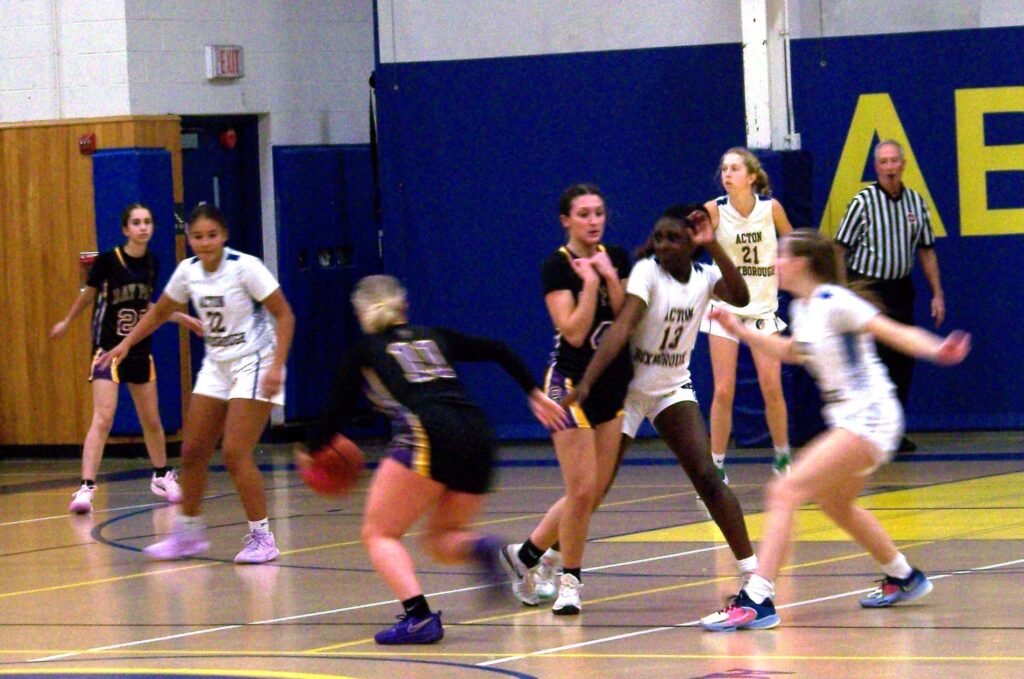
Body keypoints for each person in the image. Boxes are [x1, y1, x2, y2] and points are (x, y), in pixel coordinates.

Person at [700, 229, 969, 632]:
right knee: (836, 504)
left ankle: (758, 598)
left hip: (870, 415)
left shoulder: (835, 301)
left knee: (784, 489)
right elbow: (792, 351)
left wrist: (936, 349)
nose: (774, 264)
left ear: (801, 263)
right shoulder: (805, 308)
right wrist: (740, 331)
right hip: (852, 416)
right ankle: (904, 576)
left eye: (781, 256)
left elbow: (891, 332)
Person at [307, 275, 567, 644]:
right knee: (442, 540)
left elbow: (333, 419)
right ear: (404, 306)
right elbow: (497, 348)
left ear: (361, 313)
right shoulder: (434, 335)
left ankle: (418, 618)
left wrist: (310, 450)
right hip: (478, 434)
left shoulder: (365, 351)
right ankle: (483, 547)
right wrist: (533, 391)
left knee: (378, 533)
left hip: (429, 434)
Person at [569, 204, 760, 599]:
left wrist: (716, 245)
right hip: (629, 391)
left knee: (708, 476)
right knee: (595, 488)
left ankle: (751, 574)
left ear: (693, 242)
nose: (664, 245)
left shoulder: (706, 277)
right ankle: (550, 560)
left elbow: (741, 297)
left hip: (671, 389)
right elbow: (622, 327)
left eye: (673, 238)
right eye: (659, 238)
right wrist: (587, 383)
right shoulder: (646, 272)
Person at [97, 203, 294, 564]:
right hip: (218, 363)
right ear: (188, 239)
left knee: (234, 451)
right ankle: (187, 536)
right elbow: (157, 314)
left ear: (225, 236)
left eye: (212, 235)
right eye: (198, 236)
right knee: (192, 452)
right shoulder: (187, 272)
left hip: (255, 361)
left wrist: (277, 366)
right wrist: (123, 345)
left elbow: (285, 314)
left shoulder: (246, 267)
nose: (205, 242)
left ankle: (262, 538)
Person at [499, 184, 633, 615]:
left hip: (610, 385)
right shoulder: (555, 267)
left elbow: (625, 321)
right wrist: (590, 283)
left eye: (599, 213)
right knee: (579, 490)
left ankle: (525, 556)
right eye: (584, 214)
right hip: (569, 386)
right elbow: (574, 331)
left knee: (593, 492)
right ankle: (570, 582)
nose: (594, 221)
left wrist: (609, 276)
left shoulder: (618, 257)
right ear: (566, 221)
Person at [50, 203, 201, 514]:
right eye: (136, 222)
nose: (143, 227)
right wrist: (67, 321)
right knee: (103, 418)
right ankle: (86, 487)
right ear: (125, 229)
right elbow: (88, 295)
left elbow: (148, 307)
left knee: (152, 420)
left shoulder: (152, 264)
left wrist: (180, 318)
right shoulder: (108, 261)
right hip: (107, 351)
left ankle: (161, 475)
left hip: (139, 351)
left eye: (147, 222)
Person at [834, 139, 946, 453]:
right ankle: (866, 433)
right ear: (876, 167)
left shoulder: (915, 202)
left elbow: (926, 251)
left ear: (903, 164)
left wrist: (937, 293)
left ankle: (892, 432)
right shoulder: (863, 202)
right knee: (872, 359)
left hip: (899, 287)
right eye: (883, 162)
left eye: (894, 161)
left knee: (902, 361)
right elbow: (839, 248)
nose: (890, 167)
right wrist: (845, 292)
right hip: (868, 287)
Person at [701, 148, 794, 480]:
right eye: (724, 168)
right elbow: (683, 241)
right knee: (723, 390)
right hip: (726, 311)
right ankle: (716, 465)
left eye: (735, 168)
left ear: (751, 176)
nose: (727, 173)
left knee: (771, 386)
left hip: (763, 308)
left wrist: (791, 270)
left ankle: (783, 457)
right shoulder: (713, 211)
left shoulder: (771, 208)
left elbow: (793, 244)